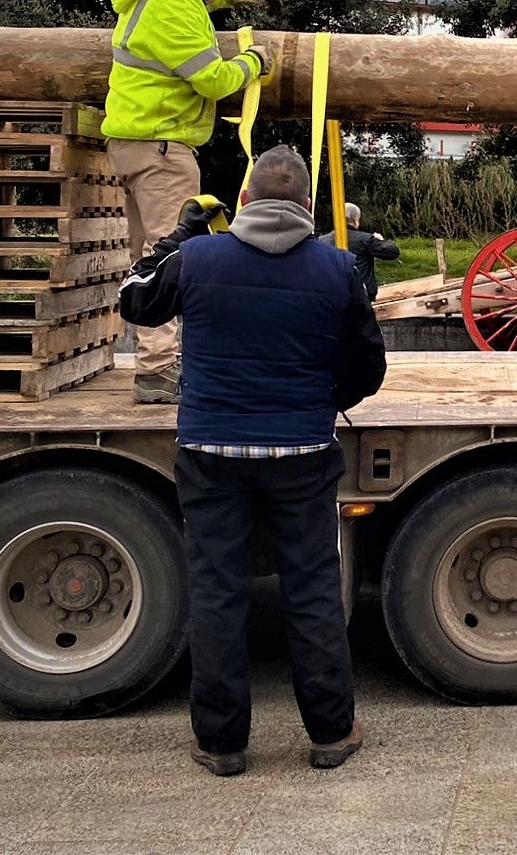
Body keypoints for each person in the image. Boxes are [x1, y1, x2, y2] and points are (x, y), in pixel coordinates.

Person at [117, 146, 385, 777]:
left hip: (211, 452)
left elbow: (134, 302)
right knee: (314, 590)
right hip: (302, 452)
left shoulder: (197, 259)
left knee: (217, 592)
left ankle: (222, 744)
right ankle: (330, 734)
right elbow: (367, 368)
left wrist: (172, 238)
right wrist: (322, 399)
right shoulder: (337, 269)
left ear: (241, 202)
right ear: (308, 208)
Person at [102, 0, 280, 404]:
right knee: (170, 257)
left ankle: (154, 361)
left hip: (137, 138)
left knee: (146, 255)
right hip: (163, 145)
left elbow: (190, 10)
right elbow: (213, 80)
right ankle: (158, 370)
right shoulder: (173, 3)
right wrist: (254, 61)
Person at [320, 203, 401, 303]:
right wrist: (381, 241)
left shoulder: (322, 241)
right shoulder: (365, 239)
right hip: (361, 297)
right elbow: (393, 253)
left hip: (331, 297)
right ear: (356, 220)